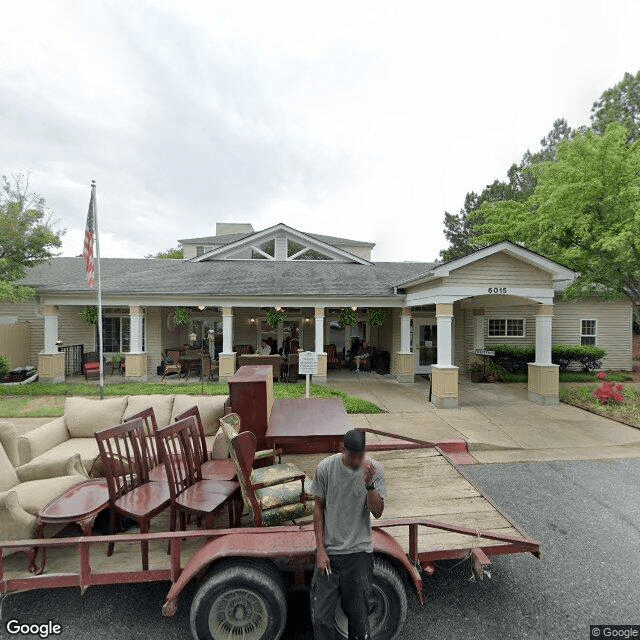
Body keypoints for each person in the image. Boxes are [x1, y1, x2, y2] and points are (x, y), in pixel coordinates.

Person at [310, 429, 386, 640]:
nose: (357, 460)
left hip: (359, 553)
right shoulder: (325, 468)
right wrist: (320, 549)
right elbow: (318, 508)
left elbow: (377, 512)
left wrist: (369, 484)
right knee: (321, 618)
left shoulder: (374, 470)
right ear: (343, 449)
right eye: (353, 455)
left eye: (360, 455)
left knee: (360, 619)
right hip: (330, 553)